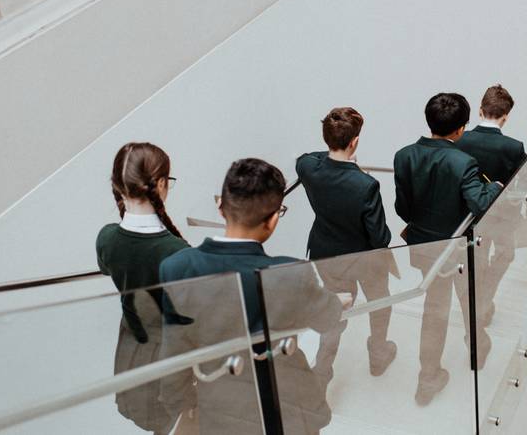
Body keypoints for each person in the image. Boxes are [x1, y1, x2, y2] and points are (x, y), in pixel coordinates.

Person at [159, 158, 345, 435]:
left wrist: (182, 403)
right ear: (272, 220)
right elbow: (327, 318)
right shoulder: (290, 273)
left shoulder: (176, 268)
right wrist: (336, 301)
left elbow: (174, 351)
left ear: (220, 206)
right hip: (286, 404)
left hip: (219, 403)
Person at [394, 92, 502, 406]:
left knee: (434, 309)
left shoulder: (404, 156)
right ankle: (477, 350)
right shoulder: (463, 162)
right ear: (460, 130)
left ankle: (427, 379)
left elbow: (403, 209)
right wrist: (493, 187)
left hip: (425, 246)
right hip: (458, 250)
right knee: (471, 297)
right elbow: (481, 203)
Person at [96, 142, 190, 435]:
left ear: (117, 186)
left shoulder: (107, 238)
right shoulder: (178, 252)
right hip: (170, 359)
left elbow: (109, 267)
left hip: (131, 352)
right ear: (161, 184)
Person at [296, 107, 396, 381]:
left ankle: (322, 371)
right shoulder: (365, 184)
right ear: (354, 142)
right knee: (380, 303)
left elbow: (307, 156)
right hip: (365, 261)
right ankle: (378, 354)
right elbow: (380, 238)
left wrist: (336, 155)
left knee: (335, 313)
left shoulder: (307, 168)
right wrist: (352, 165)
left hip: (326, 254)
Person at [455, 85, 527, 323]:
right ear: (506, 117)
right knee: (506, 254)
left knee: (478, 259)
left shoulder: (461, 139)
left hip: (471, 214)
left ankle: (479, 303)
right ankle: (484, 299)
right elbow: (521, 182)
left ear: (480, 110)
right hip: (503, 215)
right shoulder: (513, 147)